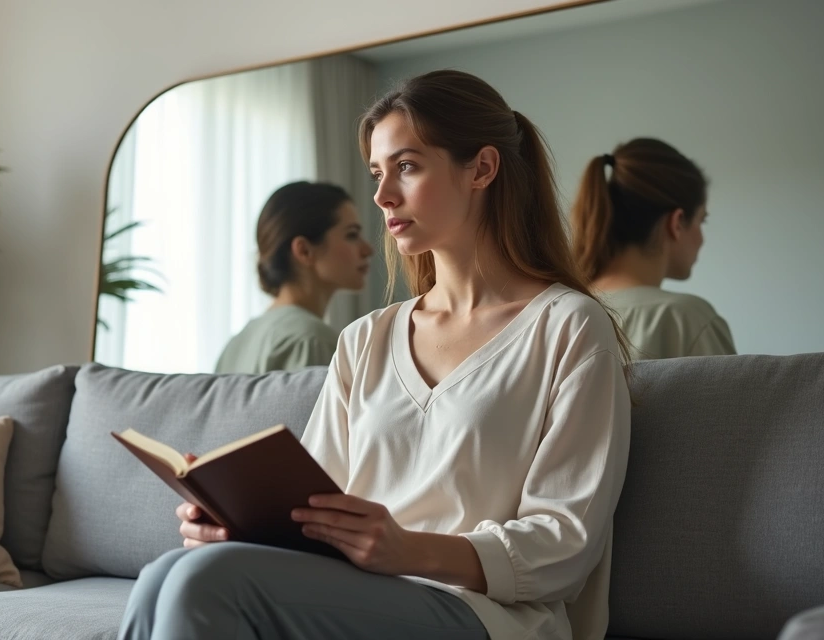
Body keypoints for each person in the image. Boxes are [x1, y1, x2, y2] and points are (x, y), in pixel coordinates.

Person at [120, 69, 632, 640]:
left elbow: (565, 541)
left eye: (407, 167)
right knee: (168, 571)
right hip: (359, 597)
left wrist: (407, 549)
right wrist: (239, 527)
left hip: (485, 616)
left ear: (482, 169)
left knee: (200, 583)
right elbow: (315, 510)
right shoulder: (365, 338)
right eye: (377, 173)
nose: (383, 195)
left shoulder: (569, 329)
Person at [570, 138, 736, 359]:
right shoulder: (687, 320)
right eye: (701, 220)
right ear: (677, 223)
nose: (702, 238)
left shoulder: (559, 314)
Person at [214, 181, 373, 374]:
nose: (367, 250)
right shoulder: (310, 340)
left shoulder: (235, 345)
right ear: (304, 250)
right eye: (352, 235)